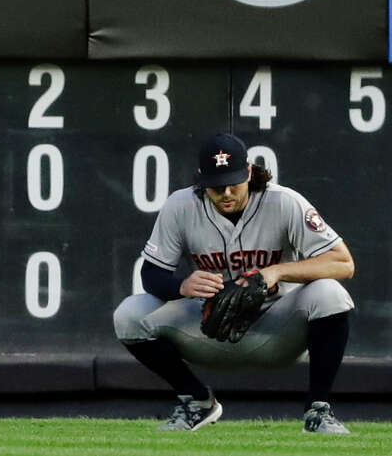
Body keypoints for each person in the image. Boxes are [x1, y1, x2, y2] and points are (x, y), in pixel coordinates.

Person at [113, 132, 354, 434]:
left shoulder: (283, 202)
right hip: (208, 328)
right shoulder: (181, 206)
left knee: (330, 293)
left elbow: (343, 262)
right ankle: (198, 402)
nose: (226, 192)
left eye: (234, 182)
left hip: (277, 326)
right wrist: (181, 287)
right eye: (216, 186)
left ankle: (318, 411)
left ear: (250, 173)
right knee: (129, 314)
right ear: (201, 179)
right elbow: (151, 274)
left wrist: (276, 272)